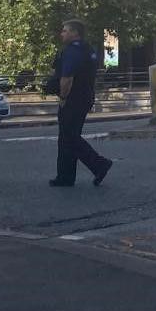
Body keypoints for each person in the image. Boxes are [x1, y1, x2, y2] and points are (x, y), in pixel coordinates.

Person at [49, 19, 112, 188]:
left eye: (65, 31)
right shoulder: (88, 50)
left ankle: (99, 164)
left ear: (74, 33)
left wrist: (63, 97)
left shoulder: (72, 51)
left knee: (69, 137)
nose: (62, 34)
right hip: (85, 97)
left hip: (73, 99)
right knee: (67, 137)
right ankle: (65, 176)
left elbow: (67, 78)